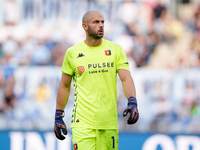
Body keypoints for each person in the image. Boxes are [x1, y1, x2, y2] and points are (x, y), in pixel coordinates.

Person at [54, 10, 139, 150]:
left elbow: (126, 78)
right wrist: (58, 115)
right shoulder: (73, 53)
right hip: (83, 124)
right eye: (96, 22)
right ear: (85, 26)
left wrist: (132, 101)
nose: (101, 25)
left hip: (109, 123)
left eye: (102, 22)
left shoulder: (115, 49)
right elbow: (64, 86)